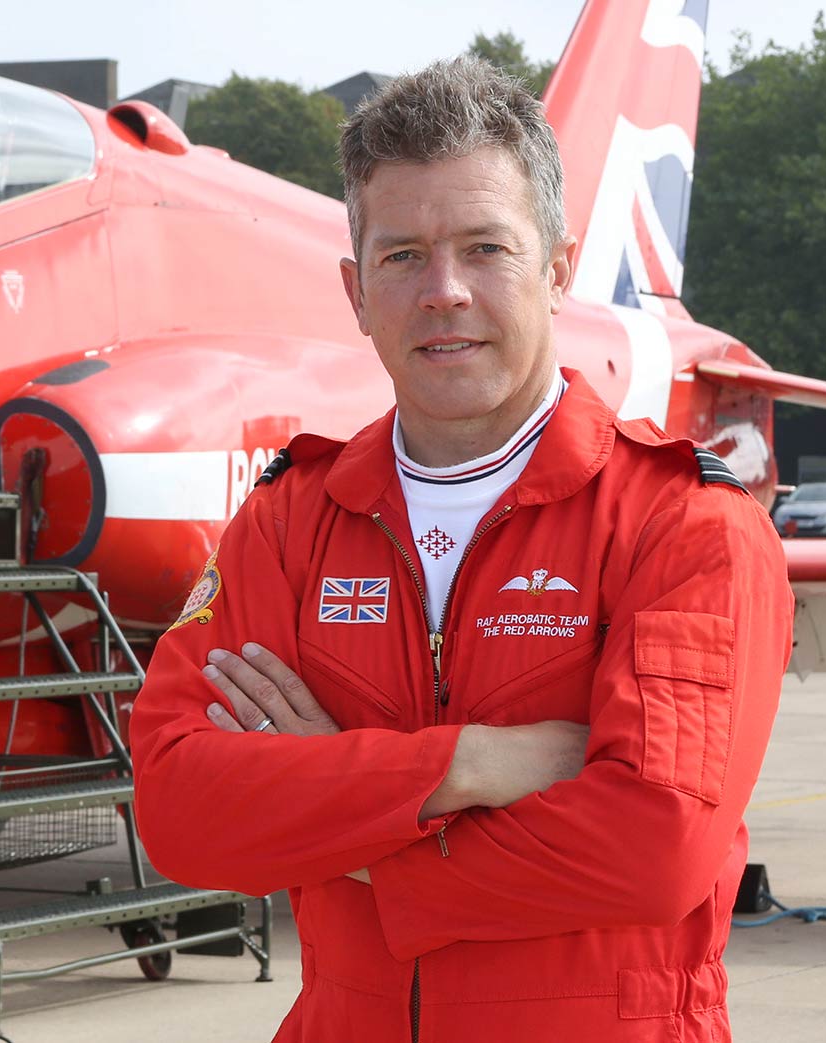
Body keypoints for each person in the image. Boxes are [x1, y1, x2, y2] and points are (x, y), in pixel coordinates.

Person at [130, 57, 792, 1042]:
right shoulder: (287, 523)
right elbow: (181, 809)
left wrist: (342, 822)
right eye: (403, 256)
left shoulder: (683, 524)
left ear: (558, 270)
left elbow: (657, 850)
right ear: (356, 291)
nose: (444, 292)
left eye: (486, 248)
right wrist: (473, 764)